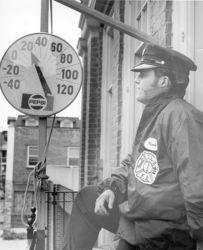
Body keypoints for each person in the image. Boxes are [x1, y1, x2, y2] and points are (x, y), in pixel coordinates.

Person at [63, 43, 203, 250]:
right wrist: (112, 188)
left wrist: (199, 237)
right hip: (139, 219)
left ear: (164, 81)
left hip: (164, 231)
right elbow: (133, 163)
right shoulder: (156, 112)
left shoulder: (181, 116)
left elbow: (196, 182)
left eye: (144, 74)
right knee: (88, 198)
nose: (137, 79)